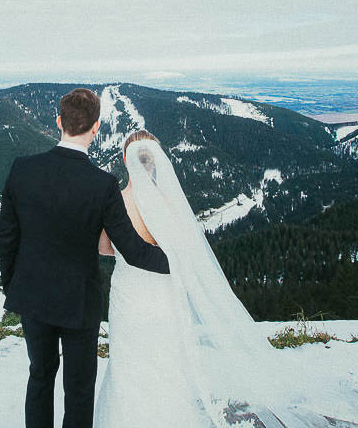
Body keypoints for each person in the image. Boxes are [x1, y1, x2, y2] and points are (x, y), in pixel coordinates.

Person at [93, 130, 335, 428]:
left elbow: (104, 247)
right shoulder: (170, 204)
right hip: (163, 295)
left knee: (128, 362)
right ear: (155, 162)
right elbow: (185, 250)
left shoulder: (116, 202)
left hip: (129, 294)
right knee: (166, 360)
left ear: (125, 160)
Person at [0, 89, 170, 428]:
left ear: (59, 121)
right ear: (96, 128)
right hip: (80, 303)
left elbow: (7, 239)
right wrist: (179, 263)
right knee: (78, 391)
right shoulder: (102, 185)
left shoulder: (22, 170)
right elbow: (133, 250)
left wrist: (13, 286)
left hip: (33, 296)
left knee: (40, 377)